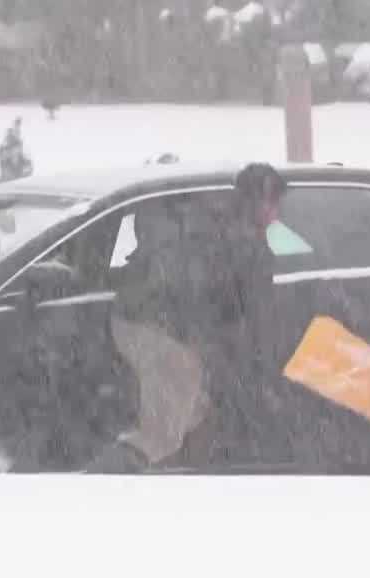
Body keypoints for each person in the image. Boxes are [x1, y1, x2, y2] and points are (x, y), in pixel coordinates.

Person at [85, 163, 287, 474]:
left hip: (146, 320)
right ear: (258, 202)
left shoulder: (216, 226)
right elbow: (231, 308)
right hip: (158, 329)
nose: (277, 213)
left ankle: (179, 478)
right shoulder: (240, 242)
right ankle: (102, 480)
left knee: (194, 414)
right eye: (274, 204)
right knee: (163, 433)